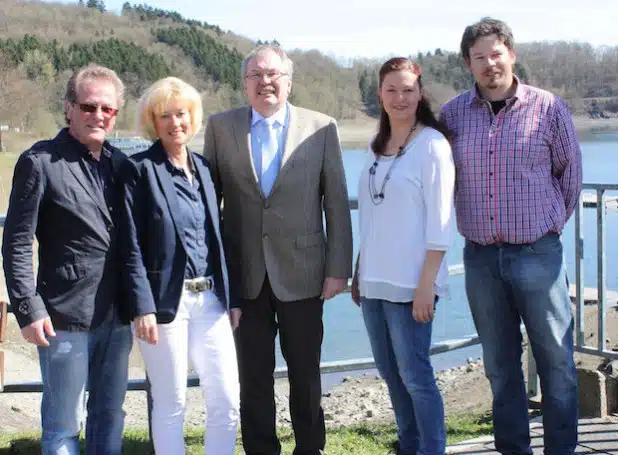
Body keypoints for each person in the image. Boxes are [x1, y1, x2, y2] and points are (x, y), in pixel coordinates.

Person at [440, 17, 582, 455]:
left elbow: (570, 175)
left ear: (511, 54)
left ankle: (561, 449)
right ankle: (513, 449)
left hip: (537, 254)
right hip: (481, 258)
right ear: (468, 63)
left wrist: (550, 228)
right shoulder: (453, 114)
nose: (489, 64)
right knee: (500, 367)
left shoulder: (548, 107)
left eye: (495, 54)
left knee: (556, 361)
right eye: (479, 57)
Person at [203, 44, 353, 455]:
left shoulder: (321, 127)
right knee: (253, 375)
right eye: (256, 75)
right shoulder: (220, 127)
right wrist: (212, 269)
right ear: (244, 83)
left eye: (273, 75)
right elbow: (207, 204)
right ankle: (261, 449)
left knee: (305, 373)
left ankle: (310, 447)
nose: (265, 82)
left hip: (304, 270)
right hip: (243, 273)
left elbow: (335, 202)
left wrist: (338, 267)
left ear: (288, 81)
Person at [2, 64, 133, 455]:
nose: (98, 115)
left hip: (118, 313)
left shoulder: (121, 165)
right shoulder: (40, 162)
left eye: (107, 109)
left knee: (110, 415)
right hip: (63, 315)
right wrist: (28, 308)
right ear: (69, 108)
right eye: (89, 106)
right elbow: (17, 243)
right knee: (63, 425)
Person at [118, 77, 240, 454]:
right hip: (165, 305)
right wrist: (142, 307)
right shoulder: (138, 170)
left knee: (226, 399)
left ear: (193, 117)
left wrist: (231, 297)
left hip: (211, 301)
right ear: (152, 122)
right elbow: (129, 244)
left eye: (182, 114)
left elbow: (214, 237)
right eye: (165, 116)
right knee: (171, 404)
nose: (175, 123)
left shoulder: (203, 168)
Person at [351, 57, 454, 455]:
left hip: (412, 282)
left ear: (420, 93)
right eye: (391, 89)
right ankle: (409, 446)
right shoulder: (378, 148)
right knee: (391, 375)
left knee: (416, 376)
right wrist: (360, 269)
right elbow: (374, 217)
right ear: (379, 94)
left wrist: (427, 283)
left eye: (408, 89)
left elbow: (441, 221)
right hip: (374, 280)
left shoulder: (432, 145)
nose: (399, 97)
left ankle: (432, 449)